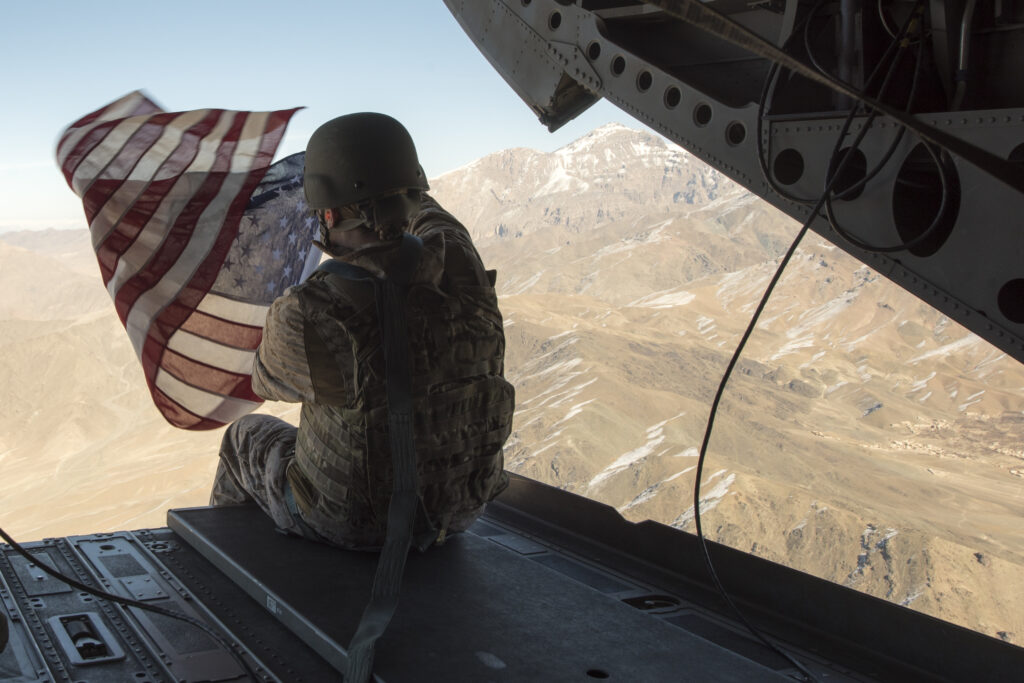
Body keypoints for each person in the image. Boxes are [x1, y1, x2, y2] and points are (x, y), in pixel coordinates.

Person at [210, 113, 515, 550]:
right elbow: (429, 215)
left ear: (329, 213)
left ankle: (233, 564)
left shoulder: (311, 310)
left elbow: (265, 380)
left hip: (355, 523)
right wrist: (394, 186)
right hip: (459, 511)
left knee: (244, 437)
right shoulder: (461, 264)